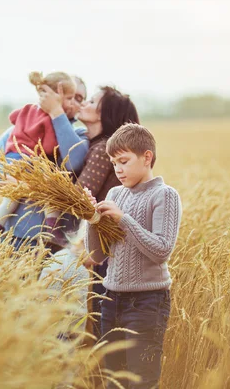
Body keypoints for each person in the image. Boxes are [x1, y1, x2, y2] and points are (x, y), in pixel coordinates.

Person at [84, 124, 183, 389]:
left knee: (140, 381)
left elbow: (161, 250)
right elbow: (96, 254)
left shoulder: (164, 195)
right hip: (111, 299)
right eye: (114, 162)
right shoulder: (115, 194)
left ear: (147, 157)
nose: (117, 169)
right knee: (114, 381)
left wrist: (123, 219)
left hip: (147, 302)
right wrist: (91, 218)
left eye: (124, 161)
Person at [38, 84, 139, 338]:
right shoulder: (95, 144)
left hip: (98, 250)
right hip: (96, 246)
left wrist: (34, 184)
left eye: (92, 102)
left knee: (89, 318)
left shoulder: (104, 149)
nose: (84, 104)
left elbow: (79, 195)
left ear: (105, 116)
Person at [0, 76, 89, 252]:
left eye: (78, 98)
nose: (70, 102)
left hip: (59, 245)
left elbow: (73, 163)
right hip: (15, 238)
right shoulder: (18, 132)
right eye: (66, 96)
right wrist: (29, 186)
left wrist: (56, 113)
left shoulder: (81, 135)